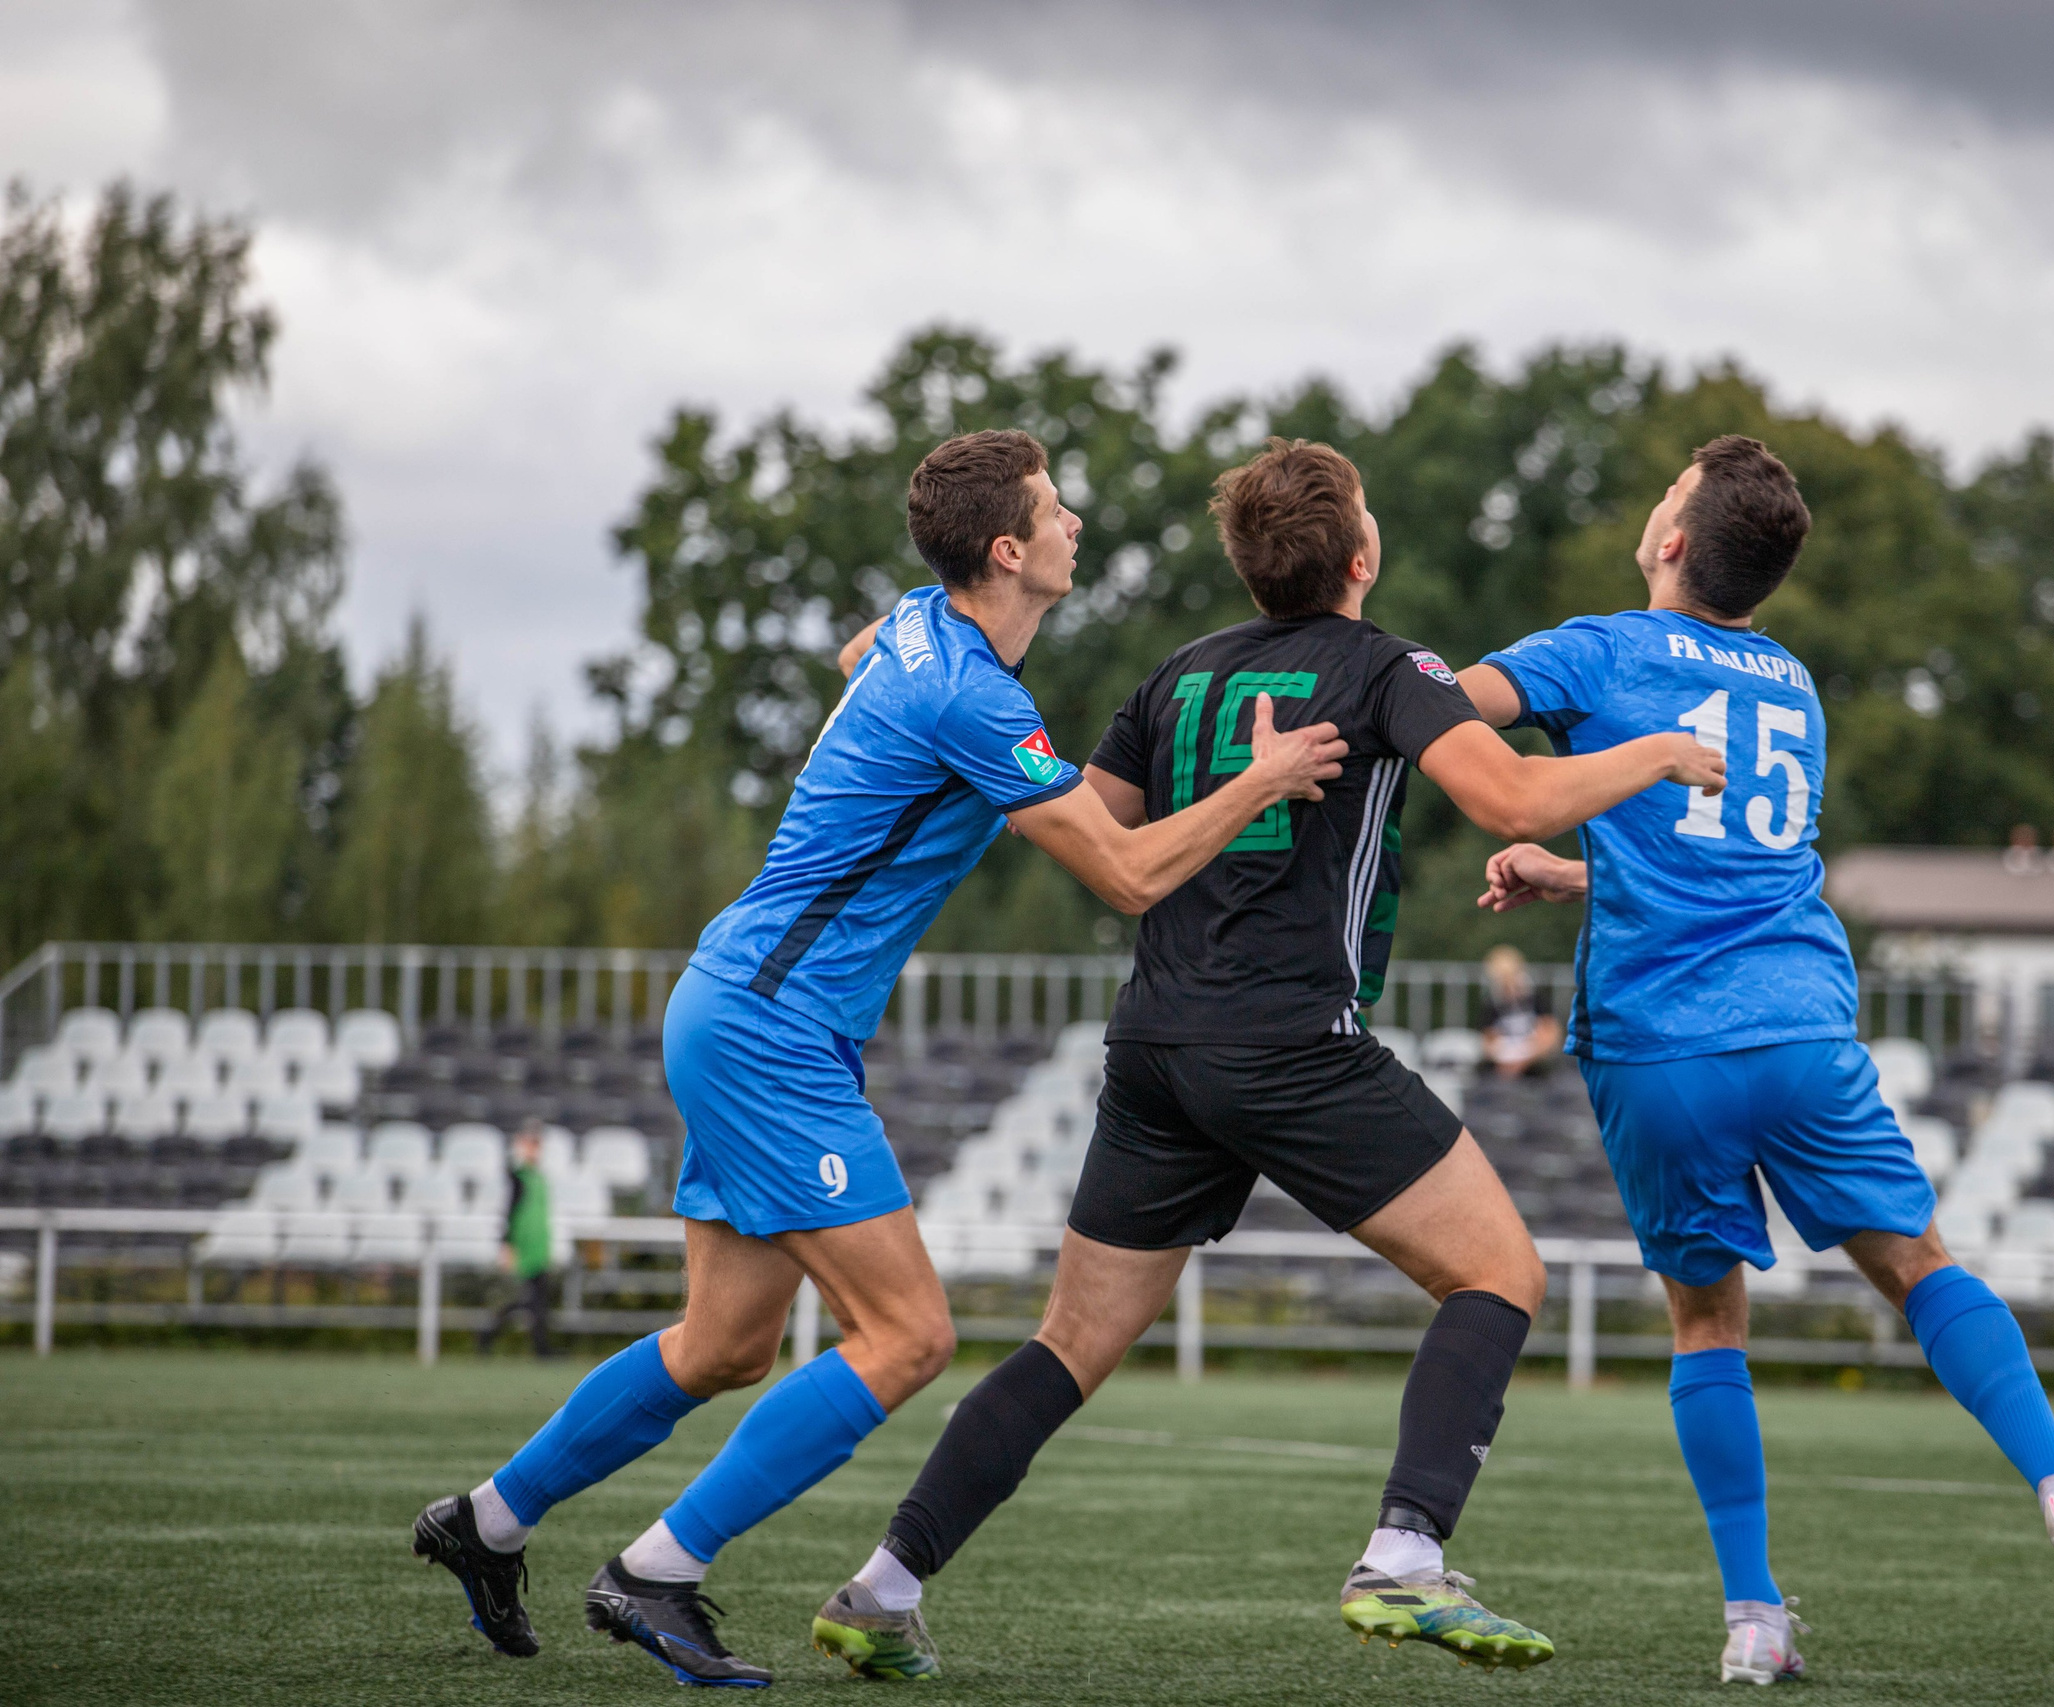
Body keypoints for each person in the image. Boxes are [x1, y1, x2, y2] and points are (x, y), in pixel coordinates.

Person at [409, 428, 1348, 1686]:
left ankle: (485, 1524)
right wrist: (1264, 774)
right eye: (1056, 509)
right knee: (904, 1336)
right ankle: (656, 1572)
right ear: (1007, 551)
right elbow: (1124, 874)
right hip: (771, 1027)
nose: (1076, 524)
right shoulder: (966, 689)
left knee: (725, 1343)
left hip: (742, 1000)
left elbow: (870, 660)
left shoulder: (923, 630)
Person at [805, 437, 1728, 1681]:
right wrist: (1659, 754)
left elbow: (1094, 822)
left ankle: (882, 1584)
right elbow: (1511, 802)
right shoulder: (1383, 665)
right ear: (1359, 555)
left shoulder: (1177, 676)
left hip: (1155, 1050)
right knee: (1500, 1275)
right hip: (1294, 1045)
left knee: (1066, 1348)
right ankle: (1405, 1559)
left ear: (1247, 568)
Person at [1460, 435, 2054, 1684]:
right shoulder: (1790, 682)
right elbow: (1727, 871)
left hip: (1660, 1046)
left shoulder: (1603, 647)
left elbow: (1450, 713)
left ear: (1674, 541)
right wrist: (1580, 874)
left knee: (1705, 1320)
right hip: (1799, 1021)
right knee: (1916, 1264)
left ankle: (1753, 1619)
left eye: (1663, 494)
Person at [476, 1122, 555, 1358]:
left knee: (534, 1302)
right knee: (530, 1302)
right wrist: (507, 1245)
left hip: (538, 1247)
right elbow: (509, 1212)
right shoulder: (518, 1178)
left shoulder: (537, 1177)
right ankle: (491, 1335)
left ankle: (538, 1347)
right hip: (525, 1249)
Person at [1475, 945, 1562, 1077]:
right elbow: (1488, 1040)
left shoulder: (1536, 999)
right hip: (1503, 1063)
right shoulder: (1492, 1004)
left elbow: (1549, 1034)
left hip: (1534, 1062)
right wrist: (1502, 1058)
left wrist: (1525, 1059)